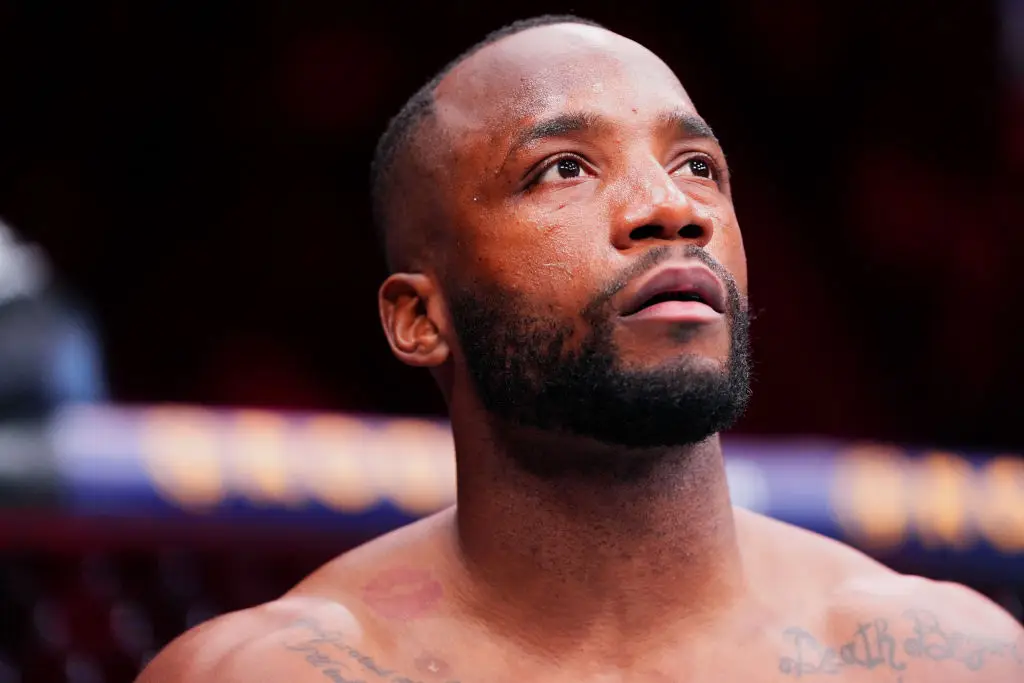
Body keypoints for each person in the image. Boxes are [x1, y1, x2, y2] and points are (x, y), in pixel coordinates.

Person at [138, 15, 1024, 683]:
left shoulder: (944, 660)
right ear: (419, 317)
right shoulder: (274, 670)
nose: (671, 209)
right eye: (562, 167)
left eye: (698, 166)